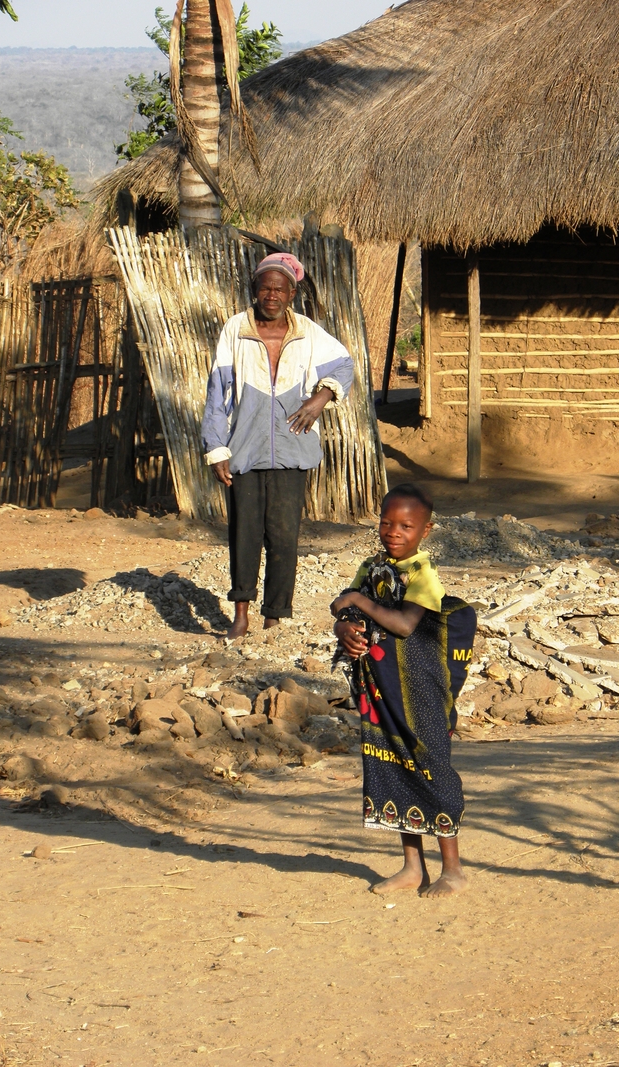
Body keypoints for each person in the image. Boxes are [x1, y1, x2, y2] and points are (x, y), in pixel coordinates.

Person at [330, 484, 477, 897]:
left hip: (421, 692)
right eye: (386, 523)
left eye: (406, 526)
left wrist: (359, 600)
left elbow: (404, 624)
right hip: (383, 687)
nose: (393, 532)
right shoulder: (372, 566)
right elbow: (341, 606)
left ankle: (453, 870)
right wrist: (345, 630)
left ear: (425, 530)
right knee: (393, 767)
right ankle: (413, 867)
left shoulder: (421, 573)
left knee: (432, 769)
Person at [202, 252, 354, 639]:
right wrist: (217, 447)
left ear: (291, 294)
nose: (272, 295)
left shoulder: (308, 333)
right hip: (244, 448)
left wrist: (320, 399)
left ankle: (274, 616)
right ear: (254, 290)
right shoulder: (235, 330)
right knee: (245, 534)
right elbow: (217, 392)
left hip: (293, 448)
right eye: (265, 288)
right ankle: (241, 614)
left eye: (280, 289)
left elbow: (345, 364)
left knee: (284, 537)